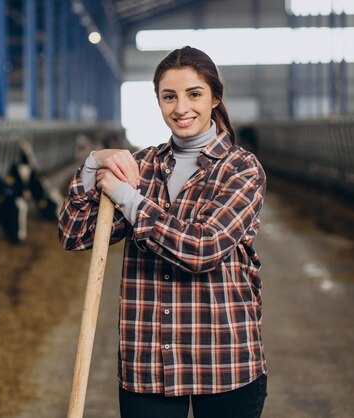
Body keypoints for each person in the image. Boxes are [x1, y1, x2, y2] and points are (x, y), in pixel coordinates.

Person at [58, 46, 268, 418]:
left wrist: (129, 199)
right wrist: (92, 165)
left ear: (215, 97)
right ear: (157, 101)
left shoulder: (241, 169)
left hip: (222, 361)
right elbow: (75, 234)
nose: (181, 108)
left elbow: (203, 249)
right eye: (169, 96)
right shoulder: (142, 166)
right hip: (149, 365)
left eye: (194, 94)